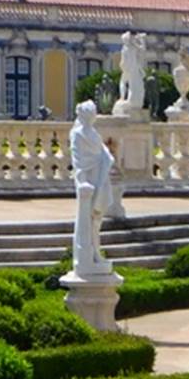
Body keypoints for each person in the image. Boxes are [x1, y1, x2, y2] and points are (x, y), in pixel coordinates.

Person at [68, 100, 117, 276]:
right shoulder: (77, 133)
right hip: (89, 179)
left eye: (93, 113)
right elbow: (77, 161)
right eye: (91, 114)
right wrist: (81, 181)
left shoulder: (94, 132)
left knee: (97, 219)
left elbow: (103, 152)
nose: (93, 117)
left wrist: (107, 157)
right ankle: (88, 255)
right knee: (88, 218)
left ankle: (96, 253)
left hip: (100, 176)